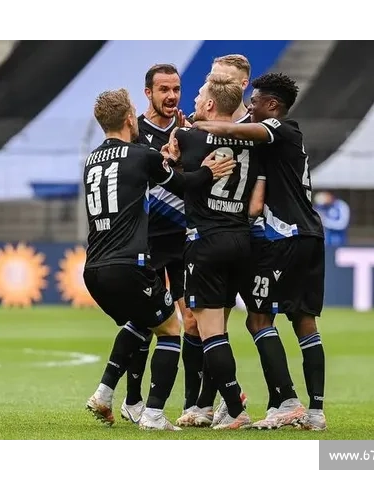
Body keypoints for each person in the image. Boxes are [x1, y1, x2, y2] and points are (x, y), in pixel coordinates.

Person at [83, 88, 236, 431]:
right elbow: (182, 185)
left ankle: (106, 393)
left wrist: (164, 159)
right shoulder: (141, 155)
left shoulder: (91, 160)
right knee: (170, 330)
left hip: (93, 268)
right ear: (128, 119)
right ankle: (153, 414)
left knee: (141, 322)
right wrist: (208, 170)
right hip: (129, 264)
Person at [193, 72, 327, 431]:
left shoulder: (281, 129)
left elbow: (240, 132)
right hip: (310, 234)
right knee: (304, 321)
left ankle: (286, 402)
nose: (249, 107)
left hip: (284, 237)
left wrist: (200, 125)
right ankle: (315, 412)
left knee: (258, 319)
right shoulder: (285, 141)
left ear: (272, 105)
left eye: (254, 101)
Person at [168, 73, 265, 429]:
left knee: (211, 333)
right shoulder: (253, 141)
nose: (193, 100)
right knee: (222, 327)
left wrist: (173, 155)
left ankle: (235, 409)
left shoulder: (189, 137)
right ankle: (210, 406)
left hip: (206, 242)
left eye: (199, 95)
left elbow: (181, 182)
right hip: (241, 240)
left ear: (210, 104)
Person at [119, 64, 201, 424]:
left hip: (183, 240)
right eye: (164, 89)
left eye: (176, 89)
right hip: (147, 240)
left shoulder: (189, 132)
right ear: (148, 93)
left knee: (193, 322)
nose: (171, 96)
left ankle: (192, 406)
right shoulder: (135, 134)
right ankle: (133, 400)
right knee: (147, 321)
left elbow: (195, 181)